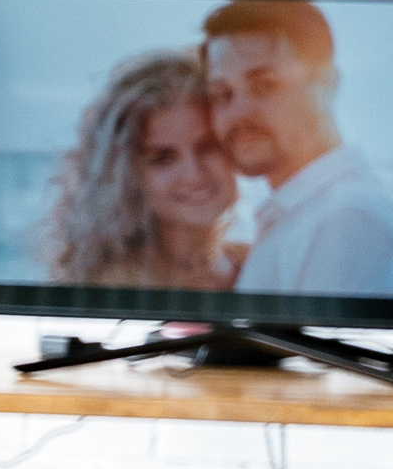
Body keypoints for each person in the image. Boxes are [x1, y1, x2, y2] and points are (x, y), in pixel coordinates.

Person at [200, 0, 393, 302]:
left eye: (265, 85)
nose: (239, 112)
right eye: (222, 93)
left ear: (326, 82)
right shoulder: (303, 218)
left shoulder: (346, 225)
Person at [39, 48, 246, 294]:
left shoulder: (254, 262)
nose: (194, 174)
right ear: (126, 174)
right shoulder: (115, 288)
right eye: (163, 159)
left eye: (208, 147)